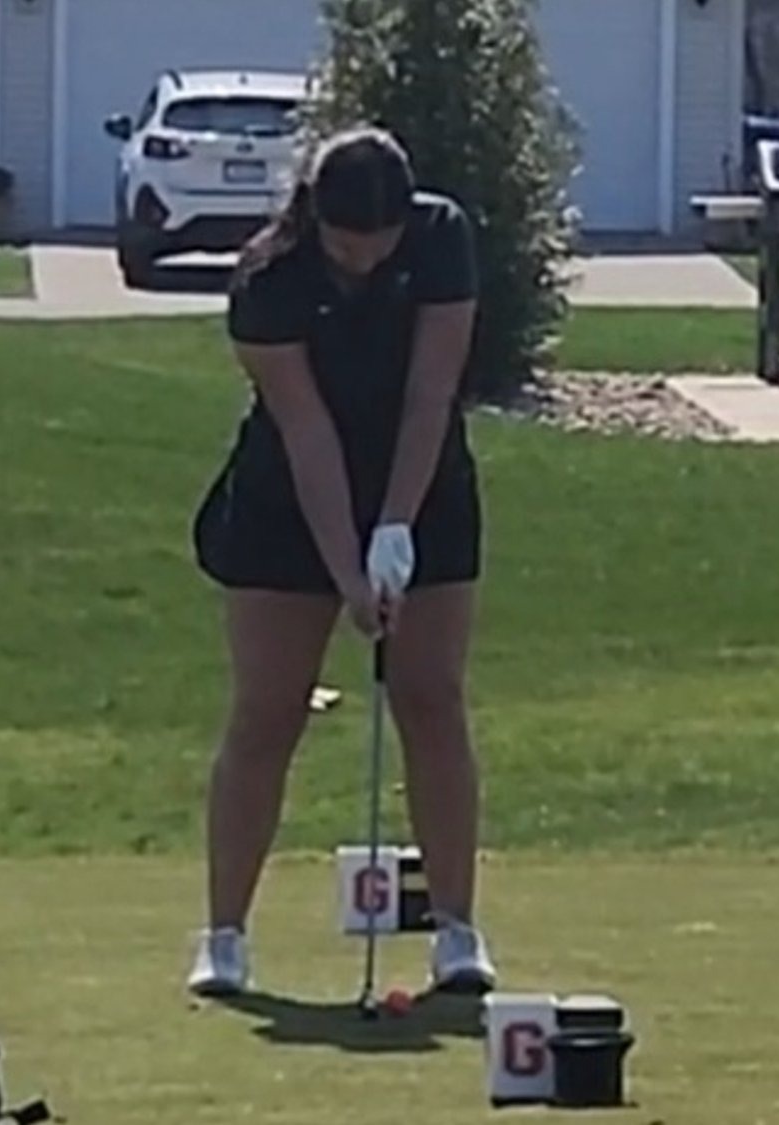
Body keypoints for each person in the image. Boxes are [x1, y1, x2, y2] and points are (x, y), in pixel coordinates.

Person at [184, 125, 498, 998]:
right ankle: (225, 937)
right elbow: (307, 430)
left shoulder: (442, 240)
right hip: (287, 502)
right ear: (314, 219)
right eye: (345, 243)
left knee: (431, 697)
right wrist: (351, 575)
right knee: (268, 711)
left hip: (425, 477)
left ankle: (458, 933)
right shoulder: (267, 278)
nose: (363, 260)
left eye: (379, 242)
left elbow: (431, 392)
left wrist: (396, 527)